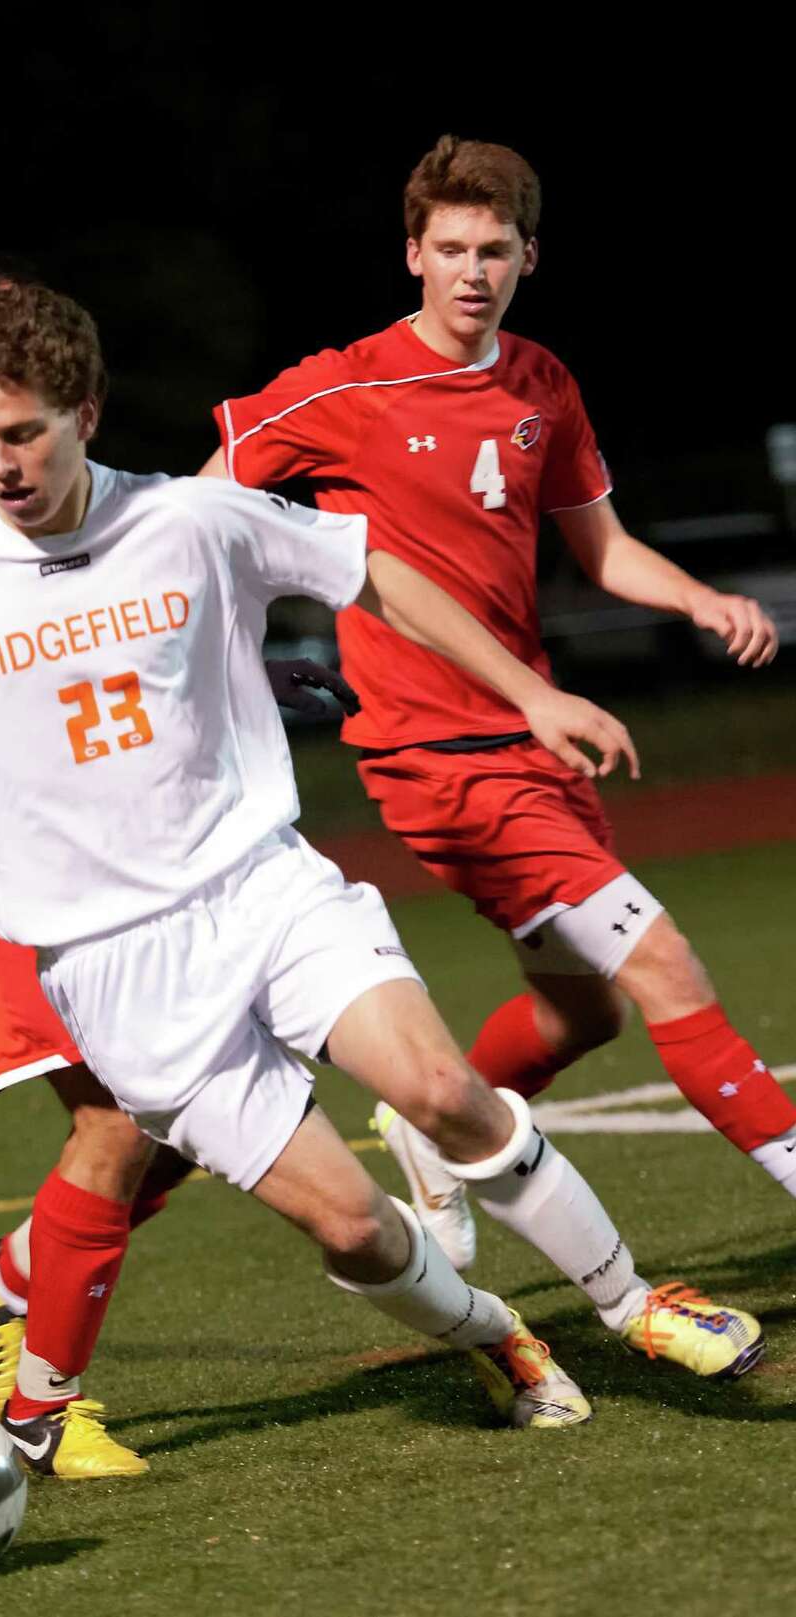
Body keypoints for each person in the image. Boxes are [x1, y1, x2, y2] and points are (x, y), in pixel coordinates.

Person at [0, 285, 760, 1472]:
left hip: (264, 888)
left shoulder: (195, 517)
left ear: (87, 414)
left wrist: (532, 694)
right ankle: (497, 1333)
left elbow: (376, 574)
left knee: (443, 1090)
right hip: (116, 968)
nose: (1, 465)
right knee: (355, 1225)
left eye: (25, 435)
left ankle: (633, 1305)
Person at [0, 250, 359, 1479]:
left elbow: (106, 639)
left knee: (188, 1109)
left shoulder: (58, 469)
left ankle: (15, 1277)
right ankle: (46, 1401)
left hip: (114, 831)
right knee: (122, 1115)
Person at [204, 134, 795, 1279]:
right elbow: (197, 523)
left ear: (531, 257)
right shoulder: (340, 387)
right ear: (413, 254)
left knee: (588, 1020)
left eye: (497, 251)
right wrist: (234, 655)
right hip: (436, 754)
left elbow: (608, 550)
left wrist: (702, 598)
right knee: (666, 965)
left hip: (538, 744)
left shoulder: (540, 384)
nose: (474, 272)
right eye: (452, 249)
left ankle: (430, 1133)